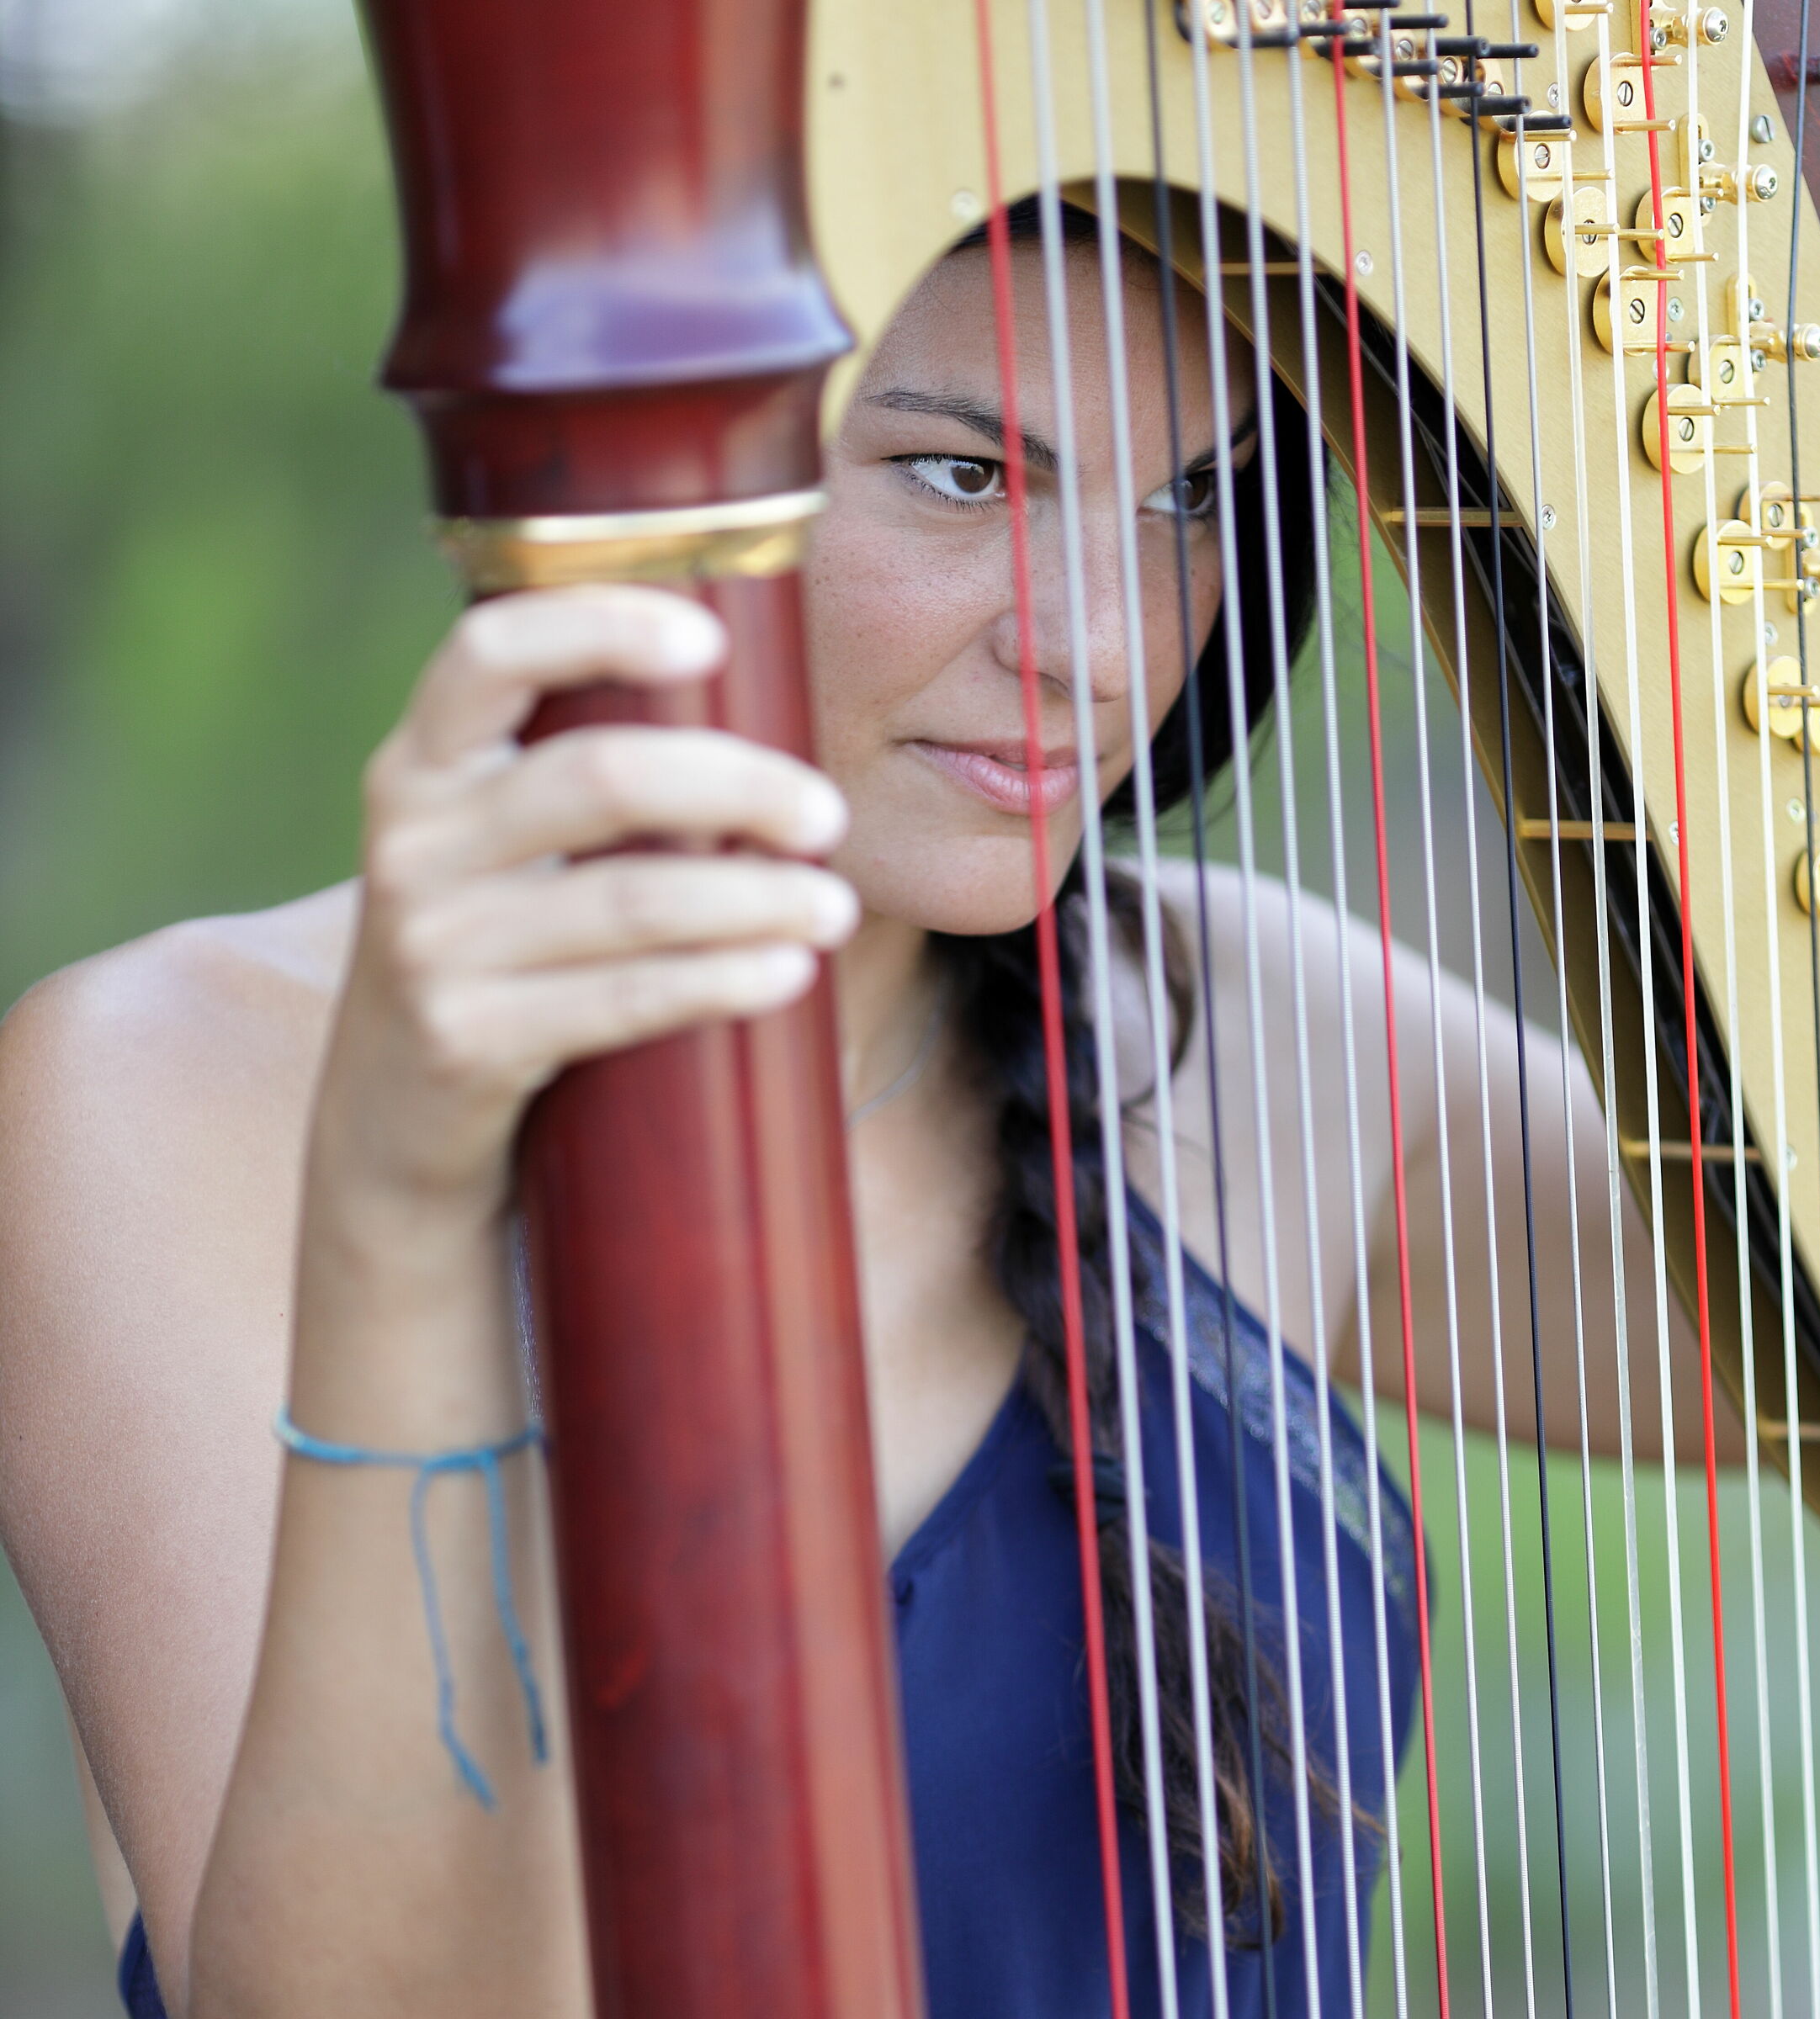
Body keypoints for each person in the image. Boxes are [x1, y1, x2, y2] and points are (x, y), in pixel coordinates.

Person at [0, 210, 1695, 2018]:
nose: (1102, 651)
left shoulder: (1233, 1021)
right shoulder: (166, 1090)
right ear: (641, 478)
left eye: (1193, 500)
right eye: (963, 474)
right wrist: (404, 1215)